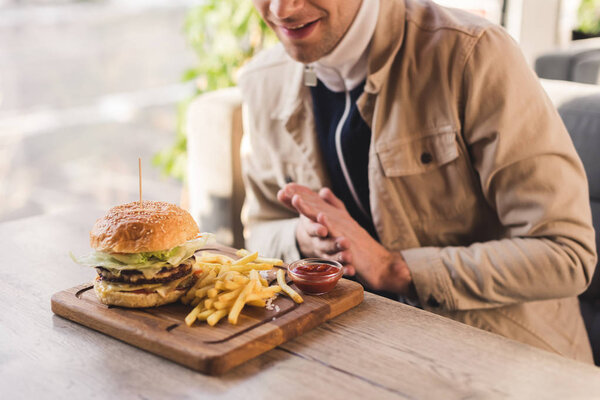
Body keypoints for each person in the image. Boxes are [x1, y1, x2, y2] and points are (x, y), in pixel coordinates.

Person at [238, 0, 597, 363]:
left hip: (505, 361)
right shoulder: (262, 81)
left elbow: (568, 254)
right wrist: (301, 241)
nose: (282, 10)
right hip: (350, 354)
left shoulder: (474, 52)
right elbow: (259, 232)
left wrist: (394, 267)